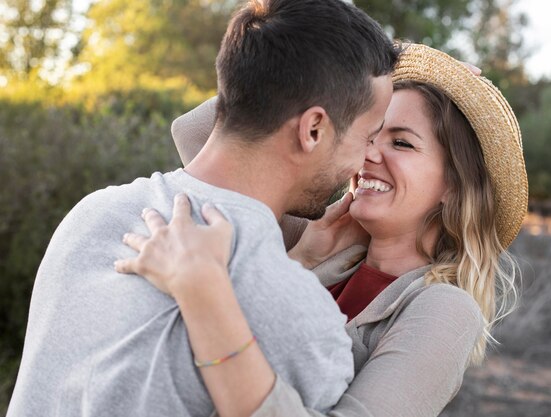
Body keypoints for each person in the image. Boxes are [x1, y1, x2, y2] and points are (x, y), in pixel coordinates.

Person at [7, 1, 399, 416]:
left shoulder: (93, 213)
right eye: (368, 136)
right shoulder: (297, 313)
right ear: (313, 129)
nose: (364, 161)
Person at [117, 44, 528, 417]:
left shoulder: (443, 310)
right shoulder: (312, 237)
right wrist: (366, 56)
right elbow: (199, 133)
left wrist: (203, 295)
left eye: (401, 143)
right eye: (369, 133)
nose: (369, 154)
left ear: (452, 185)